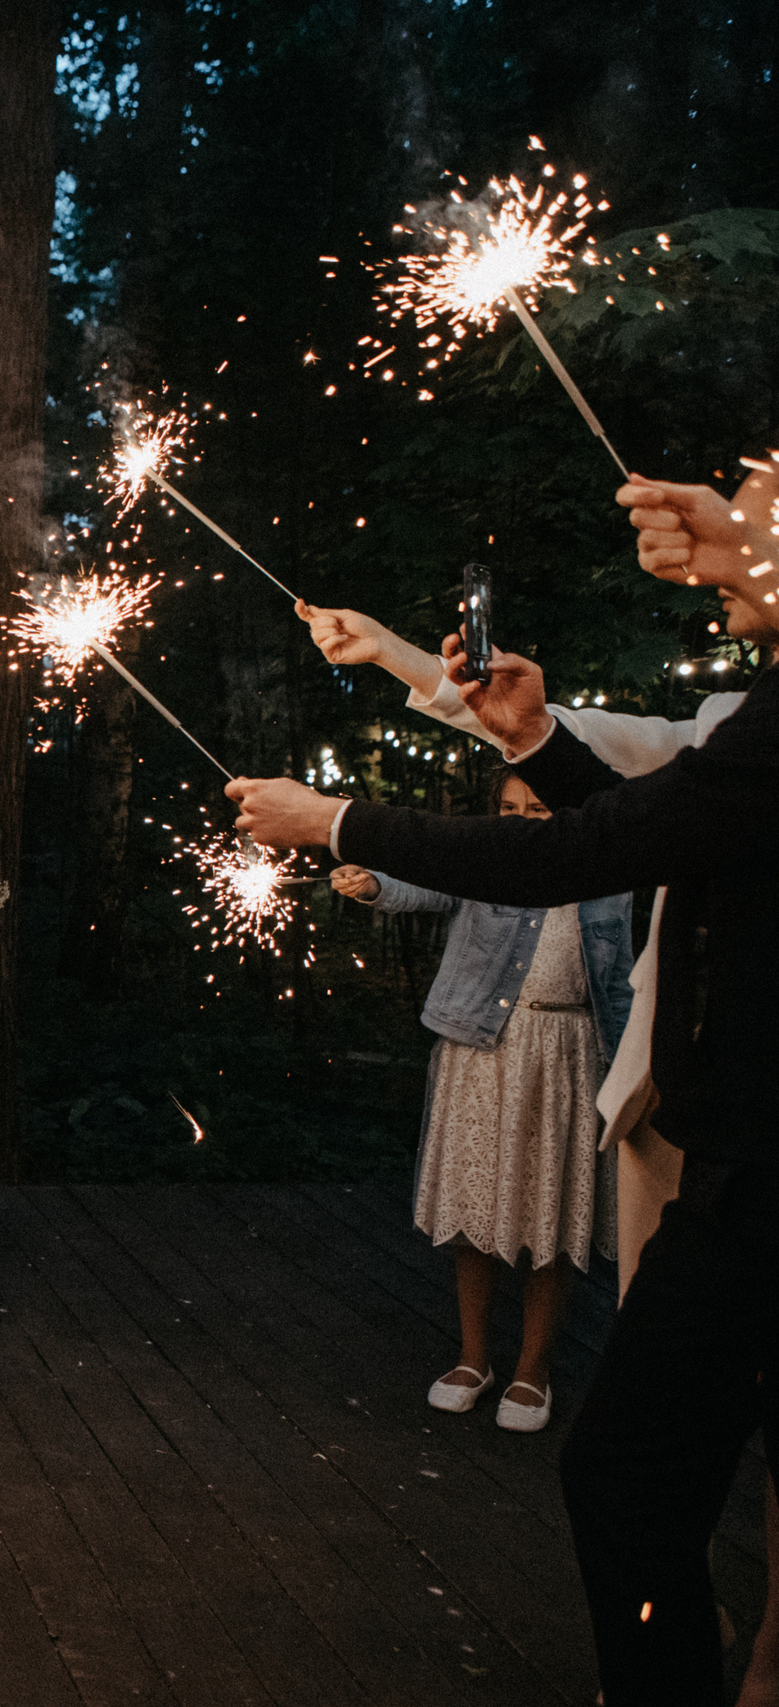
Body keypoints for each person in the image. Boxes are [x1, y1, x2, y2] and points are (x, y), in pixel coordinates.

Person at [226, 465, 779, 1706]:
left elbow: (581, 853)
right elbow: (652, 822)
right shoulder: (759, 718)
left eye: (754, 508)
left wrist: (337, 821)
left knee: (622, 1476)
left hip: (760, 1184)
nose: (714, 541)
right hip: (740, 1165)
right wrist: (530, 738)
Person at [298, 595, 737, 1286]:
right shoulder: (721, 728)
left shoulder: (706, 778)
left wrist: (336, 820)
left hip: (616, 1059)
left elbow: (550, 848)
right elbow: (566, 736)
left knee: (572, 1230)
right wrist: (391, 652)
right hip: (573, 1060)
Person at [330, 772, 632, 1432]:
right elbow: (423, 882)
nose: (521, 820)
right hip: (481, 1047)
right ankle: (473, 1359)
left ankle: (532, 1370)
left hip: (569, 1052)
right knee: (476, 1206)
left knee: (553, 1215)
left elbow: (627, 976)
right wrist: (374, 884)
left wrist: (637, 1066)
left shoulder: (610, 873)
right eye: (508, 807)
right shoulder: (485, 857)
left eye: (539, 807)